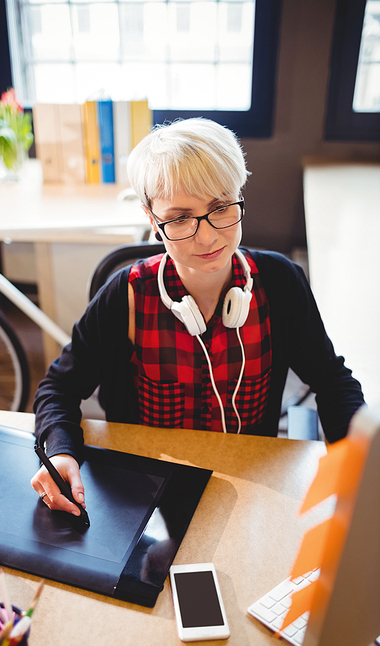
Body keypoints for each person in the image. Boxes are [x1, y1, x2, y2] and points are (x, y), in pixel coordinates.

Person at [31, 117, 364, 517]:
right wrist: (61, 449)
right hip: (147, 495)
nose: (207, 236)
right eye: (180, 217)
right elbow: (58, 389)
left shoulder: (280, 284)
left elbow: (331, 381)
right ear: (152, 220)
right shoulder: (126, 295)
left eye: (221, 207)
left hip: (247, 489)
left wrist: (360, 460)